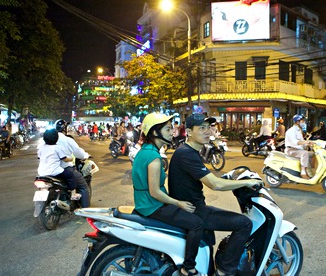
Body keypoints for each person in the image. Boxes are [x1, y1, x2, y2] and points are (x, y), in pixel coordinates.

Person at [168, 113, 263, 276]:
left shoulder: (189, 151)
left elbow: (210, 177)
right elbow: (215, 184)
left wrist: (231, 178)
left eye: (209, 128)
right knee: (244, 224)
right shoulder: (186, 154)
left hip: (192, 207)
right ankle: (225, 270)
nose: (207, 132)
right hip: (193, 210)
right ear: (189, 132)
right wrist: (247, 183)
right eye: (202, 128)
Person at [132, 113, 203, 276]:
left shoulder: (145, 151)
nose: (173, 132)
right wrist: (179, 203)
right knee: (197, 223)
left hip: (145, 203)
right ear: (155, 132)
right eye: (168, 129)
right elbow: (155, 192)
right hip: (153, 206)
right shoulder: (154, 158)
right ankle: (188, 267)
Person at [54, 119, 91, 207]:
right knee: (83, 187)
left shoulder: (48, 140)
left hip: (47, 169)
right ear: (65, 128)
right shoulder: (67, 140)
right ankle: (86, 211)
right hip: (65, 168)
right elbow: (78, 153)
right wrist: (85, 155)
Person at [37, 129, 81, 200]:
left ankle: (42, 199)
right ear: (56, 138)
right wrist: (71, 159)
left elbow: (39, 157)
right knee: (70, 175)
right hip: (54, 171)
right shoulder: (58, 148)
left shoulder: (41, 148)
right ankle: (73, 194)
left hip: (42, 173)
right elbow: (64, 159)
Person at [284, 114, 314, 179]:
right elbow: (296, 142)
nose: (304, 123)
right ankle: (303, 172)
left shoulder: (299, 130)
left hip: (297, 149)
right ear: (297, 122)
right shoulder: (291, 131)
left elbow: (302, 141)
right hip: (291, 150)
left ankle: (309, 172)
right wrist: (307, 142)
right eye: (302, 121)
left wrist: (309, 145)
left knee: (313, 153)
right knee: (305, 153)